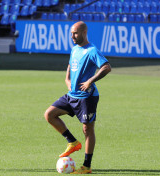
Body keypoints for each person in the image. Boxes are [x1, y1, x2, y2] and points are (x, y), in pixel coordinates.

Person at [44, 21, 111, 174]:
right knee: (49, 114)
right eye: (71, 33)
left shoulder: (92, 50)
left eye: (75, 33)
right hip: (72, 95)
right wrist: (67, 80)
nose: (72, 36)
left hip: (87, 97)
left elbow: (106, 67)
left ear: (84, 33)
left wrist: (90, 81)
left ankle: (87, 166)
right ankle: (72, 142)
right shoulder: (74, 49)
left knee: (87, 129)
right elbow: (70, 66)